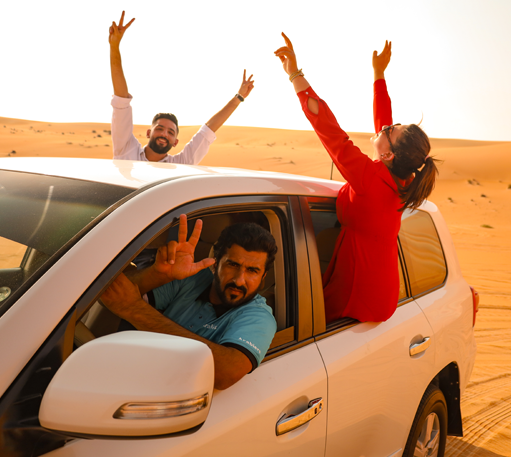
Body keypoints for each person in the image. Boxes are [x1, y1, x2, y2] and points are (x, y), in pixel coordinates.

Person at [274, 35, 438, 323]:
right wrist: (379, 76)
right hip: (383, 294)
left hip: (355, 294)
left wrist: (295, 75)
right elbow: (383, 124)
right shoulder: (404, 178)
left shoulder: (369, 178)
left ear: (388, 154)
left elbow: (327, 127)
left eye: (391, 129)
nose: (386, 126)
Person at [100, 215, 278, 390]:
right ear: (215, 265)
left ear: (263, 277)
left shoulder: (260, 317)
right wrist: (158, 274)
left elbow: (225, 374)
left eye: (252, 271)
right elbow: (110, 291)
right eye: (232, 265)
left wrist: (135, 310)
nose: (239, 280)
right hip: (124, 379)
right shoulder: (190, 279)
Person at [108, 11, 255, 164]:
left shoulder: (181, 166)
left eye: (170, 132)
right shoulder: (126, 151)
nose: (164, 134)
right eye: (159, 129)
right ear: (148, 133)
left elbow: (208, 131)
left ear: (175, 142)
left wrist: (239, 97)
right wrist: (114, 46)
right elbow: (121, 101)